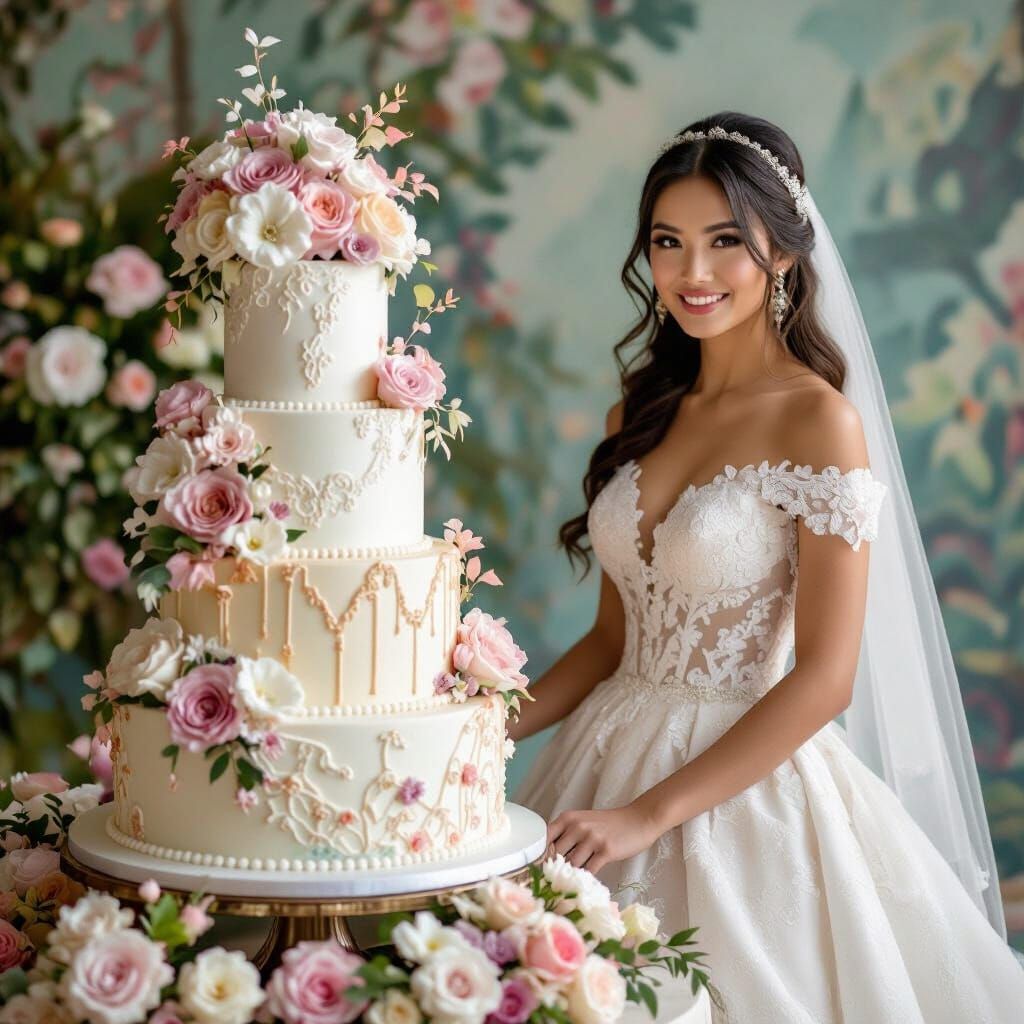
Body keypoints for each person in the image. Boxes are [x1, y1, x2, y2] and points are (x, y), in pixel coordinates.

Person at [510, 112, 1024, 1022]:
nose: (692, 273)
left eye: (724, 243)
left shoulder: (817, 421)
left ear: (782, 255)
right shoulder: (643, 408)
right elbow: (608, 641)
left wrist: (649, 816)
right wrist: (485, 727)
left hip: (738, 780)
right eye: (668, 242)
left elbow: (825, 679)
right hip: (604, 755)